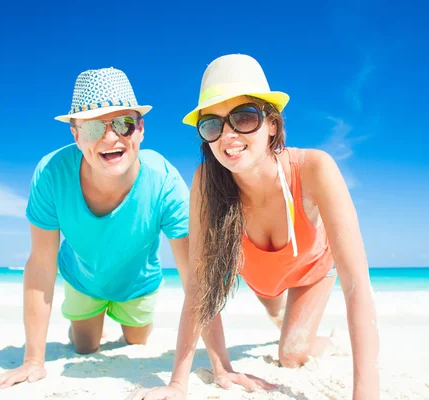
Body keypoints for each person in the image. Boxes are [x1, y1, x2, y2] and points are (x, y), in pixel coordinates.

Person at [129, 54, 380, 400]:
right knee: (277, 314)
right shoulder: (206, 183)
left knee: (291, 354)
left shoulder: (314, 169)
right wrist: (178, 383)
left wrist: (366, 395)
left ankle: (325, 341)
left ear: (272, 124)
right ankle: (280, 317)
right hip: (262, 280)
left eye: (244, 118)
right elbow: (199, 287)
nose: (228, 135)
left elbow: (356, 285)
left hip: (309, 273)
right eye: (213, 125)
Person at [0, 67, 192, 389]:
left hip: (139, 281)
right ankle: (89, 325)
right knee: (84, 347)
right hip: (82, 277)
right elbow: (41, 263)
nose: (111, 137)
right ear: (76, 135)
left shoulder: (163, 179)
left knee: (136, 343)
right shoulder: (52, 173)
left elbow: (195, 273)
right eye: (94, 128)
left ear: (140, 129)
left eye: (123, 124)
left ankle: (125, 319)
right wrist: (33, 360)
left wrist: (215, 367)